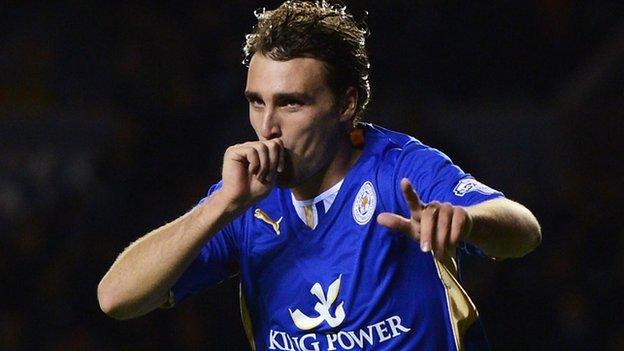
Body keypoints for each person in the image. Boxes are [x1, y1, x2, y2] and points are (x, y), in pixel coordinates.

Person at [97, 1, 541, 350]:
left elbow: (524, 231)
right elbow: (116, 298)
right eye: (256, 102)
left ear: (345, 105)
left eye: (291, 103)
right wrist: (220, 205)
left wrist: (469, 222)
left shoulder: (399, 167)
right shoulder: (244, 199)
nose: (268, 126)